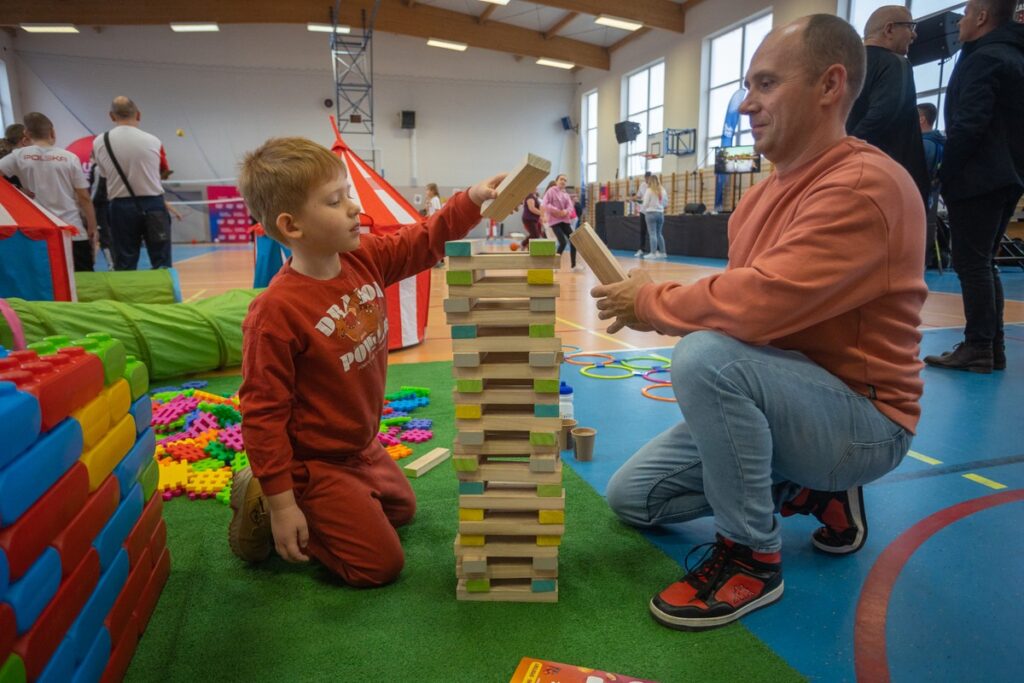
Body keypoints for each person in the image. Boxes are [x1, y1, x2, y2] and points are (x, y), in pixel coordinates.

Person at [591, 14, 926, 631]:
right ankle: (810, 490)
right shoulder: (759, 196)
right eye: (748, 85)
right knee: (634, 498)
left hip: (863, 418)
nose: (747, 103)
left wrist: (648, 301)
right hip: (794, 399)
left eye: (766, 84)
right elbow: (747, 308)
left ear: (829, 86)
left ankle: (751, 556)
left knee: (706, 358)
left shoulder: (864, 184)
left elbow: (758, 305)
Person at [229, 136, 504, 586]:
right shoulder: (275, 313)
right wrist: (283, 506)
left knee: (402, 510)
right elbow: (262, 414)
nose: (354, 207)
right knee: (379, 566)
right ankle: (268, 496)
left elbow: (423, 241)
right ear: (292, 225)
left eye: (349, 194)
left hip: (361, 446)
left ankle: (322, 501)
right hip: (314, 461)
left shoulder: (362, 258)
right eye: (336, 201)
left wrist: (470, 201)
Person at [924, 0, 1024, 374]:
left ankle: (979, 346)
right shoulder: (1012, 56)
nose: (960, 22)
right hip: (1007, 176)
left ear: (982, 17)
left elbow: (970, 124)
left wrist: (946, 171)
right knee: (984, 263)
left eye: (965, 14)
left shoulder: (984, 58)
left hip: (979, 178)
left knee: (971, 264)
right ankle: (991, 346)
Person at [846, 5, 931, 206]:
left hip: (850, 179)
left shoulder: (847, 68)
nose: (914, 35)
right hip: (888, 181)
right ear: (889, 29)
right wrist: (849, 149)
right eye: (911, 27)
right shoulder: (895, 63)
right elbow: (885, 115)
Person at [0, 112, 98, 271]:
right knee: (84, 279)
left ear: (26, 134)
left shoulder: (18, 156)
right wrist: (92, 227)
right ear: (53, 132)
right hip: (72, 229)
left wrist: (17, 191)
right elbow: (84, 197)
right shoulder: (69, 158)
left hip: (40, 230)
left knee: (48, 282)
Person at [91, 96, 175, 270]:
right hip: (153, 204)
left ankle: (127, 296)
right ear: (138, 115)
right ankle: (165, 296)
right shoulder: (154, 140)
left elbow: (104, 173)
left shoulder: (100, 141)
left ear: (112, 116)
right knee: (161, 260)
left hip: (120, 206)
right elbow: (163, 171)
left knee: (125, 261)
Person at [543, 173, 579, 270]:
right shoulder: (551, 191)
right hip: (554, 221)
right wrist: (557, 211)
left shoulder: (566, 195)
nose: (563, 181)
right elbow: (545, 204)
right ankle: (554, 266)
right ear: (556, 181)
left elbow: (570, 207)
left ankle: (574, 265)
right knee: (562, 242)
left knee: (574, 240)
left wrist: (565, 211)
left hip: (564, 220)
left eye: (565, 180)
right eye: (561, 179)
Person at [917, 103, 945, 211]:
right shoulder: (939, 142)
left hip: (917, 194)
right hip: (929, 197)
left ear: (921, 119)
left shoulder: (923, 144)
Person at [640, 175, 668, 259]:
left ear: (650, 181)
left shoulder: (649, 190)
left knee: (652, 233)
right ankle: (663, 252)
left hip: (651, 213)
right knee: (659, 233)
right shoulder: (663, 190)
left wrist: (643, 208)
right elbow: (666, 203)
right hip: (660, 213)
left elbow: (645, 203)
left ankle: (653, 253)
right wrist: (660, 207)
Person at [634, 171, 652, 257]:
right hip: (643, 211)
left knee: (652, 232)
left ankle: (654, 251)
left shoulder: (654, 186)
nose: (647, 179)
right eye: (646, 177)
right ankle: (641, 249)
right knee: (642, 231)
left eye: (648, 178)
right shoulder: (642, 185)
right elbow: (638, 196)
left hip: (651, 211)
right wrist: (634, 198)